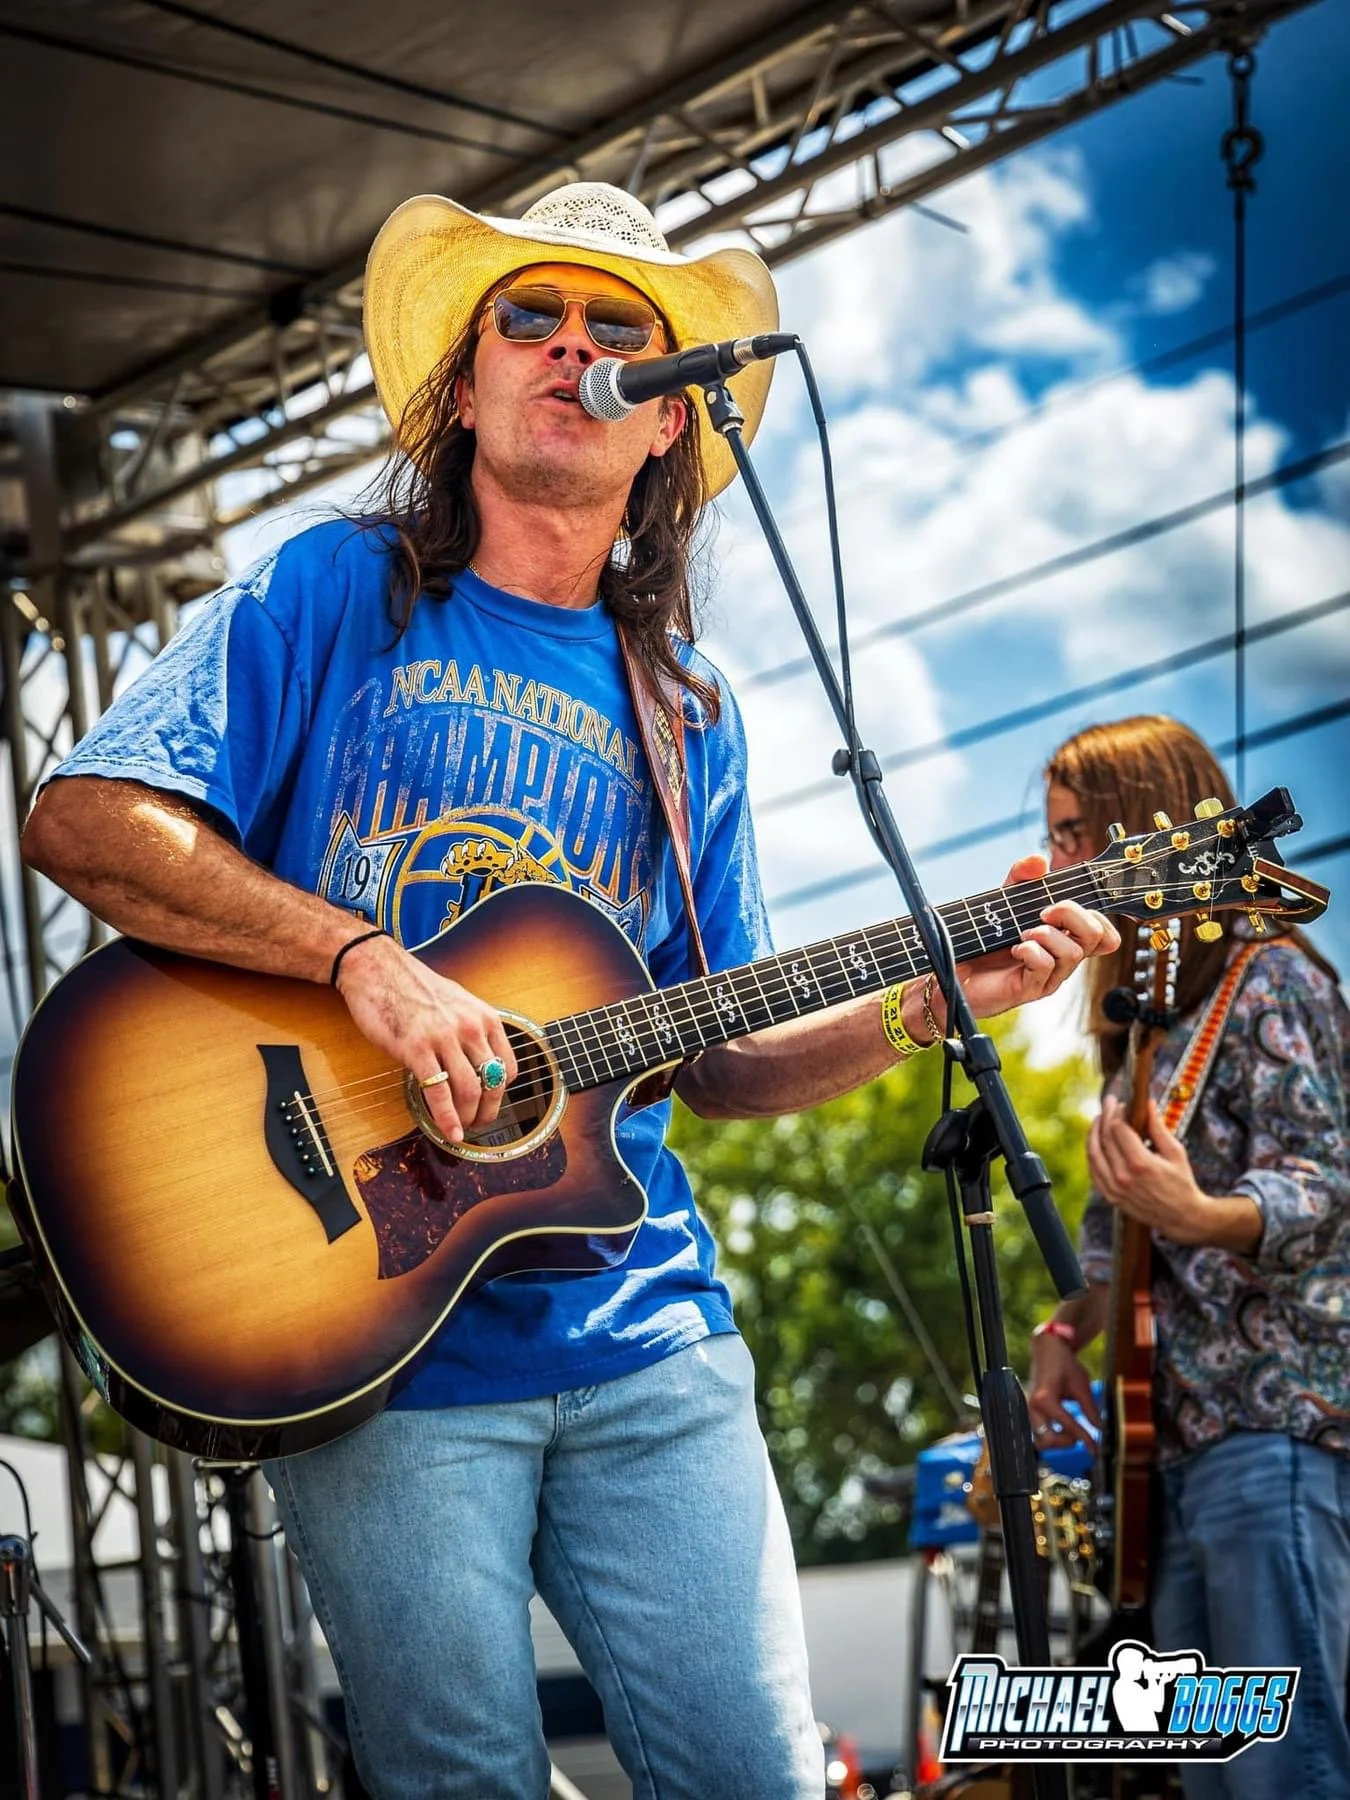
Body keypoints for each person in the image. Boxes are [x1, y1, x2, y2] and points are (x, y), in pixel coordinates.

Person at [21, 182, 1117, 1800]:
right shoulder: (335, 591)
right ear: (464, 388)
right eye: (527, 316)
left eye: (617, 327)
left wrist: (932, 998)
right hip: (370, 1331)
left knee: (759, 1776)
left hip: (644, 1329)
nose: (570, 345)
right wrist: (362, 962)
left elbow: (720, 1052)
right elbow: (86, 818)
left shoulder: (689, 710)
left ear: (668, 419)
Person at [1026, 715, 1350, 1800]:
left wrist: (1203, 1213)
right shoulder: (1149, 1025)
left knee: (1287, 1768)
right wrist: (1067, 1328)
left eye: (1075, 835)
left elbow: (1326, 1181)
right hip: (1163, 1451)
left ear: (1143, 828)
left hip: (1274, 1426)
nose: (1057, 862)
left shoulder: (1272, 980)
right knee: (1212, 1774)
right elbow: (1118, 1240)